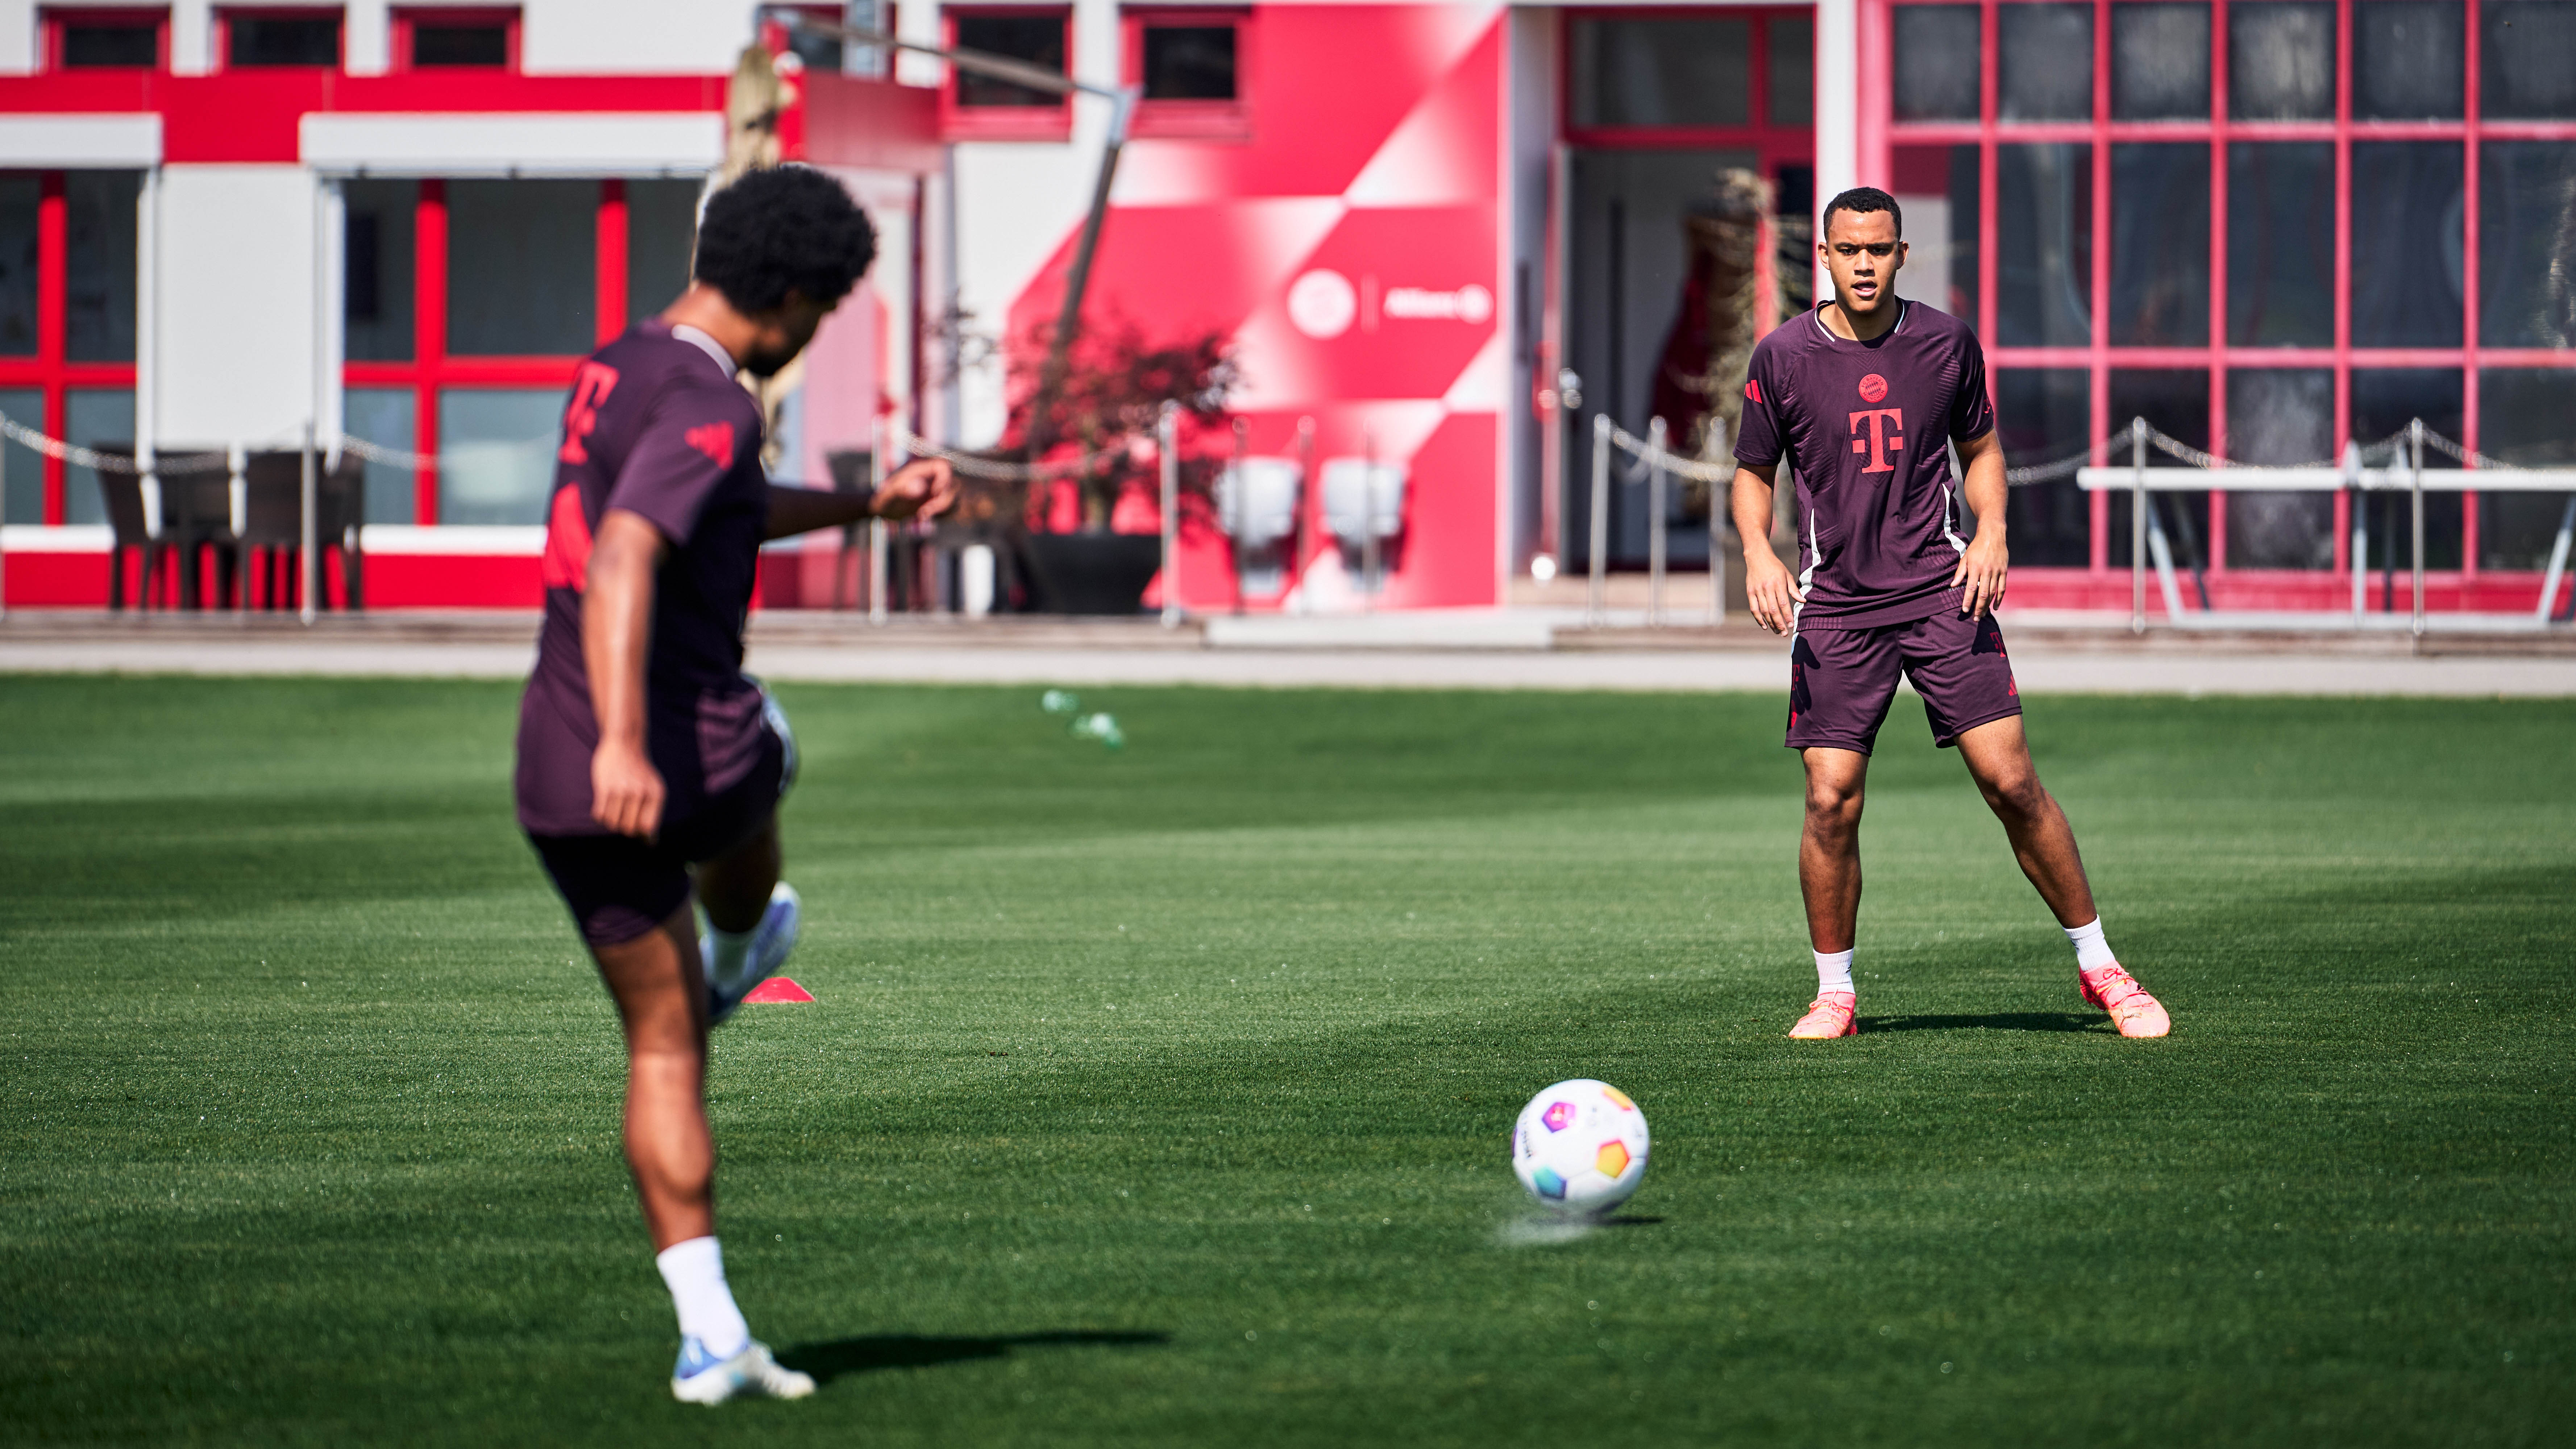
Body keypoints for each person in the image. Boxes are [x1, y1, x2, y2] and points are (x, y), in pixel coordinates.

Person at [514, 164, 957, 1403]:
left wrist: (866, 500)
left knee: (662, 1048)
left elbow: (718, 509)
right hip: (676, 753)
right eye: (830, 307)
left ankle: (710, 1332)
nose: (822, 329)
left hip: (551, 765)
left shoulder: (616, 365)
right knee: (767, 744)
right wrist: (625, 739)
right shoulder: (719, 404)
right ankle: (741, 937)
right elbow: (623, 554)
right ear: (803, 293)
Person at [1728, 186, 2169, 1043]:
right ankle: (1834, 995)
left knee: (2010, 784)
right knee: (1830, 800)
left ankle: (2101, 968)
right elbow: (1753, 471)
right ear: (1823, 256)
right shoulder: (1780, 357)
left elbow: (1980, 452)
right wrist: (1756, 551)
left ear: (1900, 254)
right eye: (1848, 249)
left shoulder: (1943, 344)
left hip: (1941, 590)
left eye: (1879, 249)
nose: (1863, 263)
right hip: (1840, 606)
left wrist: (1992, 529)